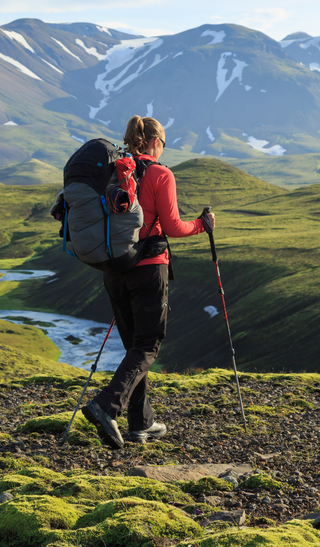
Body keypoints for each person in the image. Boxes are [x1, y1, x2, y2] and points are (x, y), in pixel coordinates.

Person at [83, 115, 215, 449]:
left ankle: (141, 423)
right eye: (164, 143)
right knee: (149, 343)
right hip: (149, 268)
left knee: (134, 347)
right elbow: (172, 227)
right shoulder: (160, 174)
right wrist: (202, 225)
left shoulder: (111, 173)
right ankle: (106, 405)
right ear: (156, 142)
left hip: (113, 270)